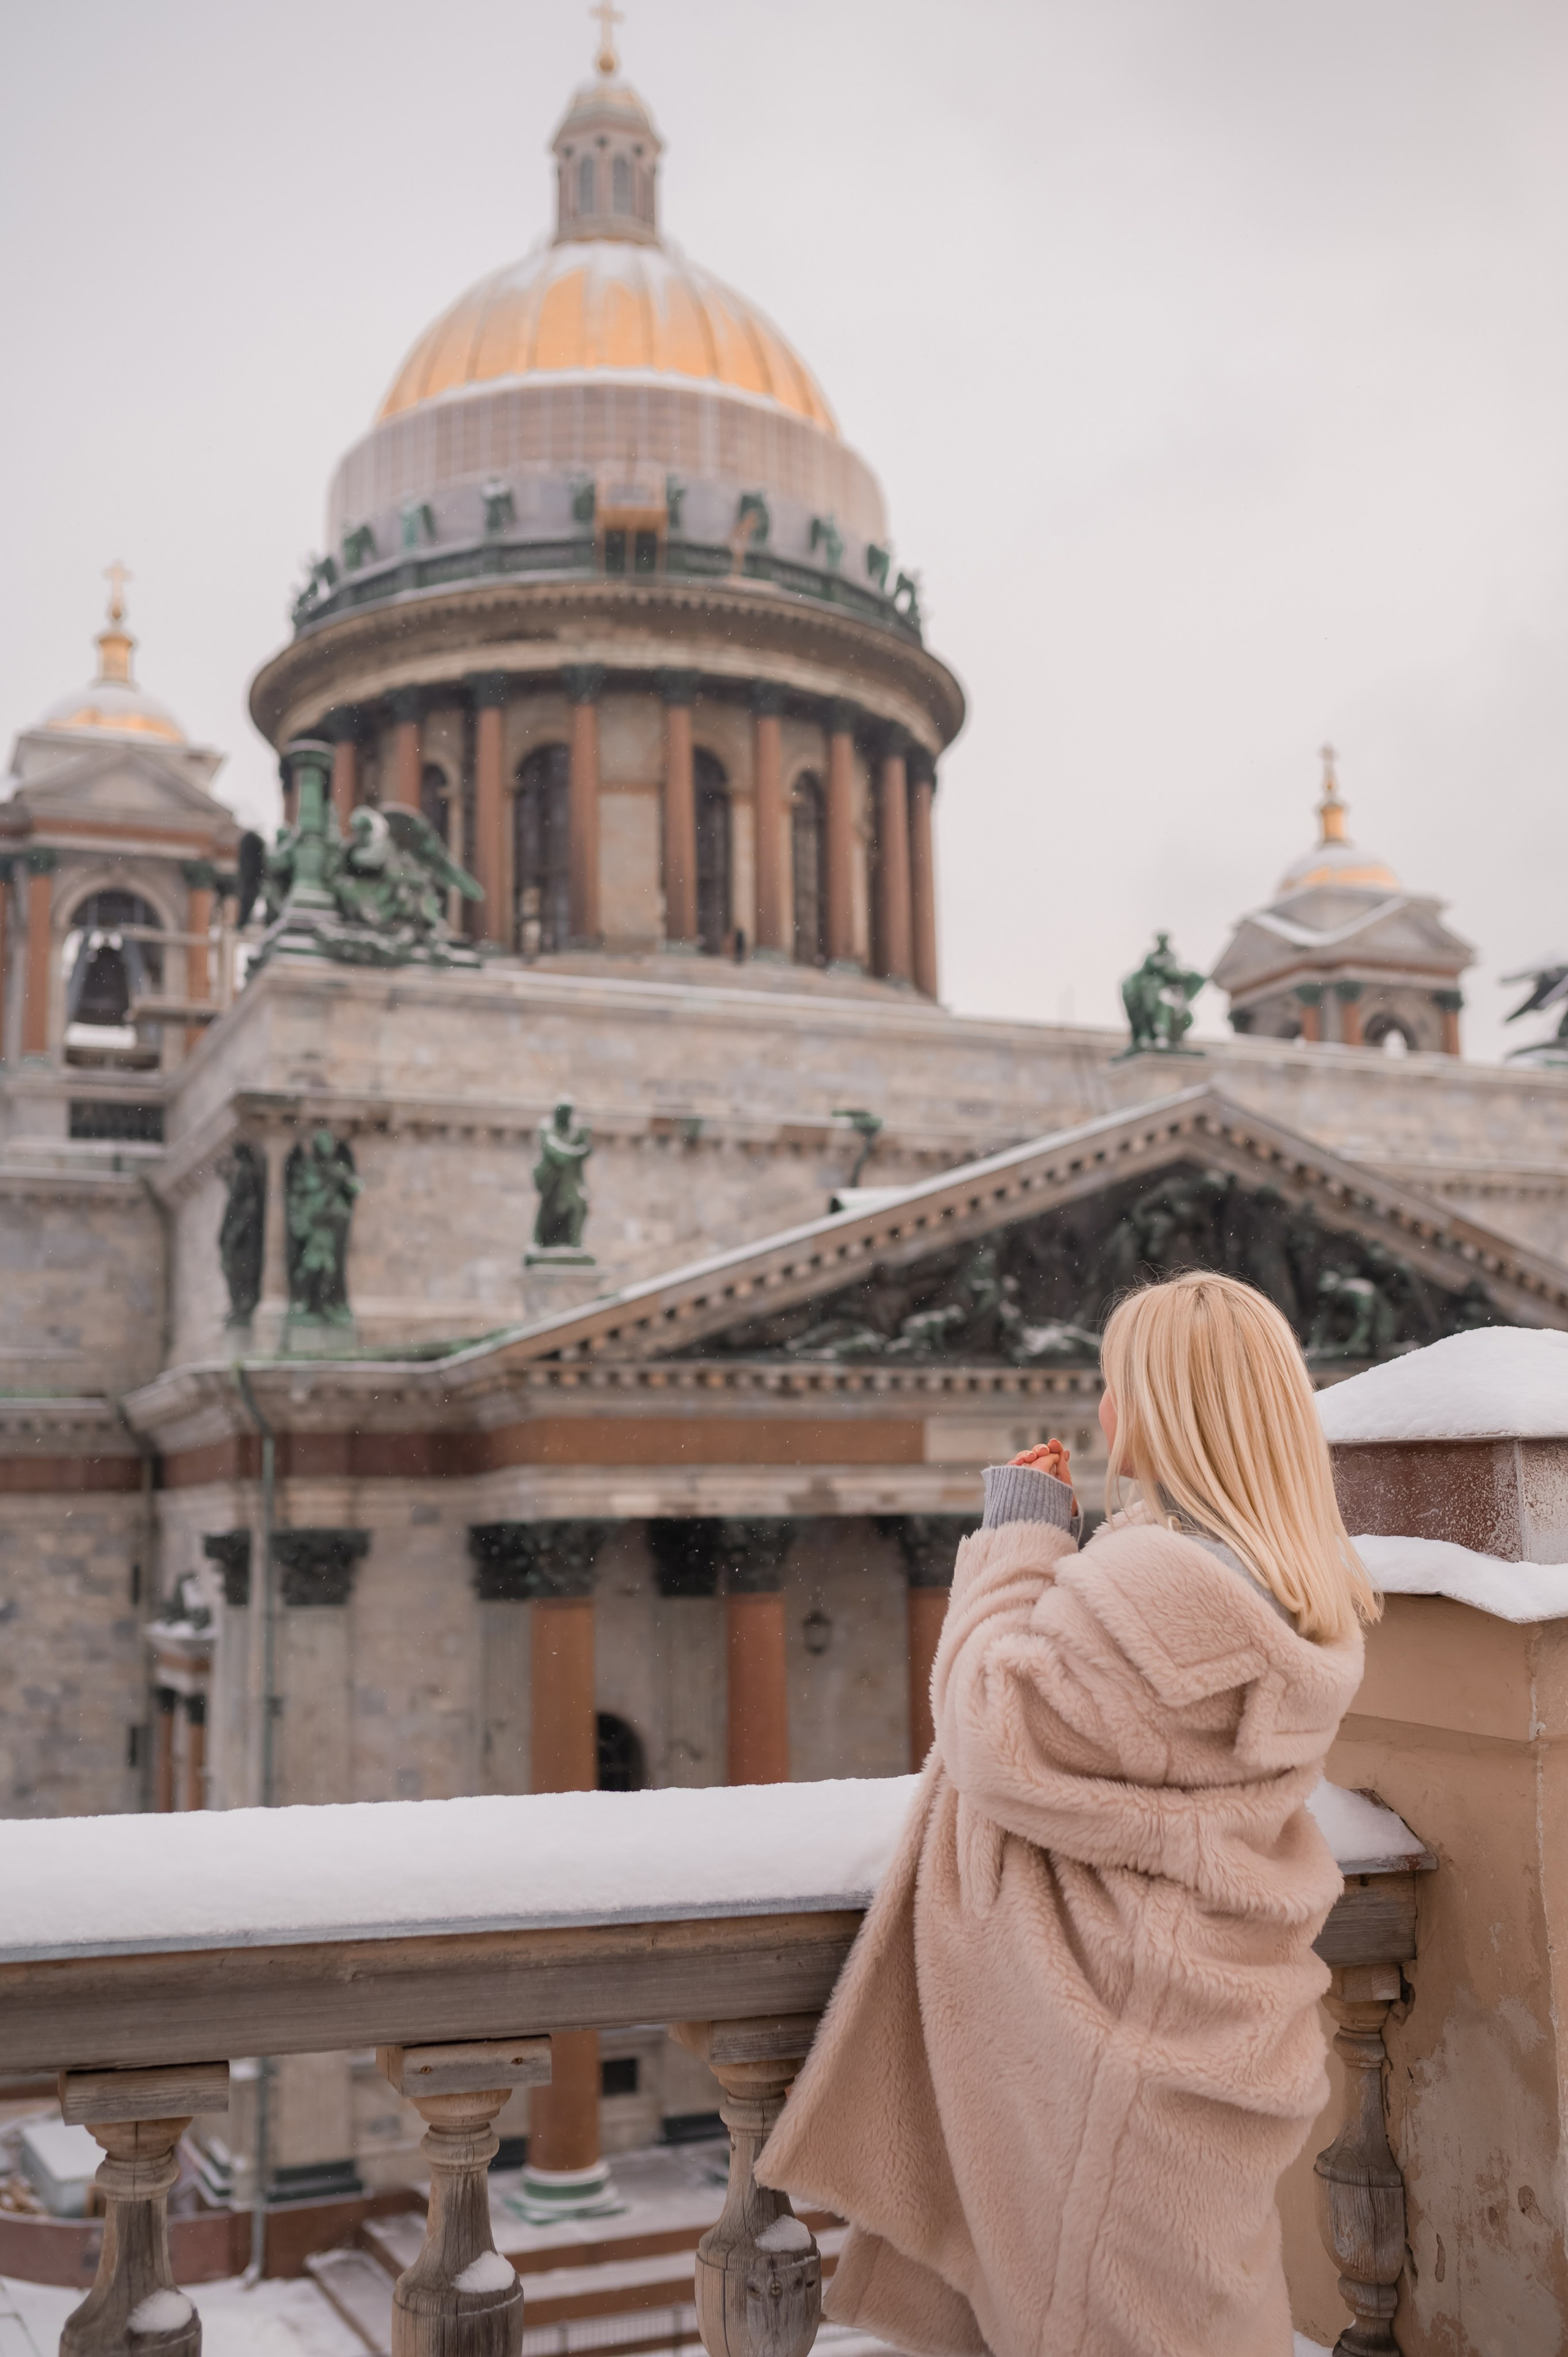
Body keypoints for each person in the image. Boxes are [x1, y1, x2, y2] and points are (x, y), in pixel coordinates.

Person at [758, 1271, 1379, 2357]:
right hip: (1202, 2031)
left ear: (1164, 1408)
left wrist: (1020, 1536)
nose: (1103, 1410)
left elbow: (991, 1730)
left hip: (1119, 2063)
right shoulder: (1292, 1589)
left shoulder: (1156, 1589)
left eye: (1115, 1384)